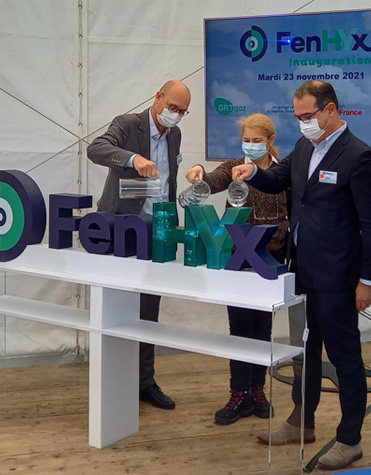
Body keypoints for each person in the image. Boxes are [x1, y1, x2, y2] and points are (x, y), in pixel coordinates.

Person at [232, 80, 371, 471]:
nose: (302, 123)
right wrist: (251, 171)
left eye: (308, 116)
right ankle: (302, 420)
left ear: (331, 110)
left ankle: (350, 439)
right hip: (301, 269)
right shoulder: (305, 148)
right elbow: (275, 180)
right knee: (305, 349)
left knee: (344, 355)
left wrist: (367, 280)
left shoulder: (359, 156)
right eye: (298, 117)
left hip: (338, 275)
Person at [87, 80, 191, 411]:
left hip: (154, 231)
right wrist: (133, 159)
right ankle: (114, 380)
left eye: (182, 112)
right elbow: (96, 148)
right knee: (116, 307)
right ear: (157, 98)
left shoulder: (174, 135)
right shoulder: (128, 124)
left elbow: (169, 181)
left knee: (148, 310)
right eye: (172, 107)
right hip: (120, 226)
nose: (175, 115)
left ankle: (145, 380)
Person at [186, 113, 290, 424]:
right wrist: (198, 173)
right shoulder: (233, 167)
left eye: (257, 141)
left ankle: (258, 390)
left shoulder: (283, 172)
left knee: (262, 326)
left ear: (269, 141)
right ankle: (238, 392)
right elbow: (211, 181)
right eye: (247, 140)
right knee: (239, 325)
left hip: (272, 256)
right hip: (238, 255)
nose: (251, 145)